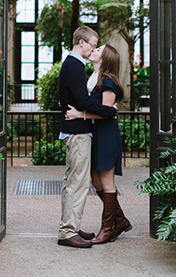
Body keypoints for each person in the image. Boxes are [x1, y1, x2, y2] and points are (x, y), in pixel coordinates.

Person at [57, 26, 118, 248]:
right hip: (78, 132)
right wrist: (110, 111)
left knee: (73, 181)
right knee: (77, 183)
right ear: (81, 42)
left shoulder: (73, 65)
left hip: (76, 131)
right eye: (93, 43)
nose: (94, 47)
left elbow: (74, 99)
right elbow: (83, 101)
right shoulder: (74, 66)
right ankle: (68, 231)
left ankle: (70, 225)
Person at [65, 44, 131, 243]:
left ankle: (107, 228)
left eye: (97, 50)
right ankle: (120, 220)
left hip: (106, 136)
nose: (93, 50)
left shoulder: (108, 82)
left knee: (107, 183)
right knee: (95, 181)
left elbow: (106, 112)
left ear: (103, 59)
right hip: (95, 135)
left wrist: (80, 114)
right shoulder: (94, 79)